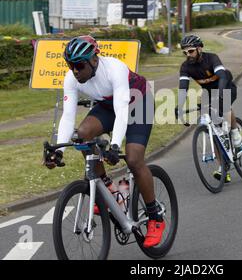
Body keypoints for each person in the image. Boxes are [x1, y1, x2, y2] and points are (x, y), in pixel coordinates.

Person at [44, 35, 165, 248]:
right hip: (108, 106)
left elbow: (122, 111)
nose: (75, 71)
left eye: (79, 65)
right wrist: (59, 148)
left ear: (93, 60)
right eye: (70, 66)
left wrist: (115, 145)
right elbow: (68, 115)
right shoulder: (71, 78)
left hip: (138, 104)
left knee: (134, 159)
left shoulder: (114, 69)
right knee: (82, 134)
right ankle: (108, 188)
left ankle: (155, 217)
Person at [175, 35, 242, 183]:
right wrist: (180, 107)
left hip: (225, 86)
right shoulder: (186, 67)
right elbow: (183, 88)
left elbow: (222, 76)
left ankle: (235, 134)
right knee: (212, 130)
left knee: (224, 103)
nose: (188, 55)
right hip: (208, 93)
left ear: (200, 48)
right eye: (185, 53)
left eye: (191, 51)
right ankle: (223, 168)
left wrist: (220, 95)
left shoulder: (212, 58)